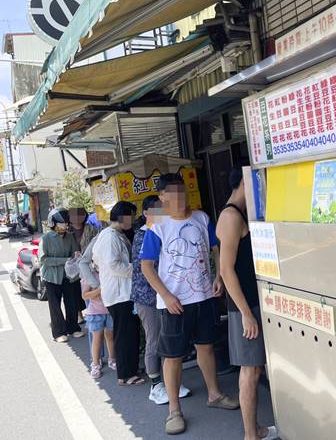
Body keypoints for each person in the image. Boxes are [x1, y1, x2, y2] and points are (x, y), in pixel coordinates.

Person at [140, 173, 238, 435]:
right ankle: (174, 410)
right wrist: (167, 296)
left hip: (204, 296)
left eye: (182, 192)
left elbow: (215, 247)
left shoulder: (202, 218)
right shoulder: (157, 225)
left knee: (206, 346)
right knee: (173, 356)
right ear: (162, 198)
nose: (180, 199)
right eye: (172, 194)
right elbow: (146, 266)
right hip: (174, 303)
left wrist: (218, 275)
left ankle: (214, 394)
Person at [218, 168, 278, 440]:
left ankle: (256, 431)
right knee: (251, 369)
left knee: (256, 367)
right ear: (244, 182)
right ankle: (251, 434)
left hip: (253, 302)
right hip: (245, 305)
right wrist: (245, 313)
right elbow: (226, 270)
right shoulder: (231, 216)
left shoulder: (241, 214)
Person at [132, 194, 191, 405]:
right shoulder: (143, 235)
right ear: (147, 213)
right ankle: (156, 385)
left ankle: (170, 383)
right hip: (148, 298)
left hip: (164, 296)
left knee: (168, 342)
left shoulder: (164, 230)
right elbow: (147, 269)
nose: (163, 213)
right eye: (157, 210)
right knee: (154, 340)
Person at [93, 201, 144, 386]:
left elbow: (97, 261)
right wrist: (137, 269)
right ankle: (125, 374)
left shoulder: (113, 235)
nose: (134, 219)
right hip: (118, 294)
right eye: (132, 215)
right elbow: (113, 265)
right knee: (125, 334)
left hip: (121, 292)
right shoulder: (110, 237)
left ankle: (130, 368)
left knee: (129, 332)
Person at [39, 208, 84, 342]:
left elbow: (75, 252)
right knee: (55, 306)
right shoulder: (46, 238)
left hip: (69, 275)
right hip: (52, 277)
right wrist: (64, 260)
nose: (65, 226)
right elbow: (44, 259)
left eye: (65, 223)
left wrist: (76, 256)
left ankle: (73, 328)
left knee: (72, 302)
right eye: (61, 224)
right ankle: (59, 333)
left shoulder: (70, 236)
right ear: (53, 224)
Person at [81, 276, 116, 379]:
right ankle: (95, 364)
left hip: (110, 311)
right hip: (95, 312)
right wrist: (100, 290)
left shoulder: (110, 272)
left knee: (110, 336)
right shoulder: (90, 275)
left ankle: (112, 359)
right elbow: (85, 295)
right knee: (97, 338)